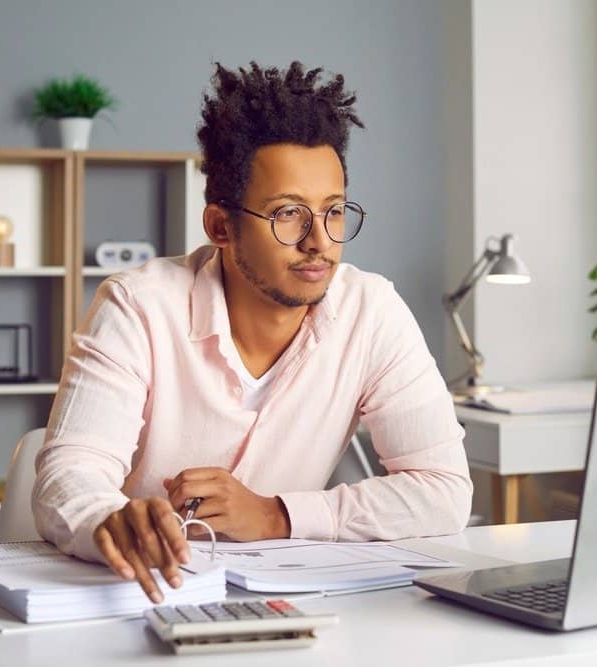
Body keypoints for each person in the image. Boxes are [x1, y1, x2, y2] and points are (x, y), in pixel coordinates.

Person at [32, 61, 472, 603]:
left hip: (282, 601)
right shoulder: (137, 306)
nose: (320, 241)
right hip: (134, 597)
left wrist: (275, 514)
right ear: (220, 226)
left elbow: (444, 491)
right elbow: (69, 474)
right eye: (288, 213)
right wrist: (108, 519)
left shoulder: (371, 310)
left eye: (333, 211)